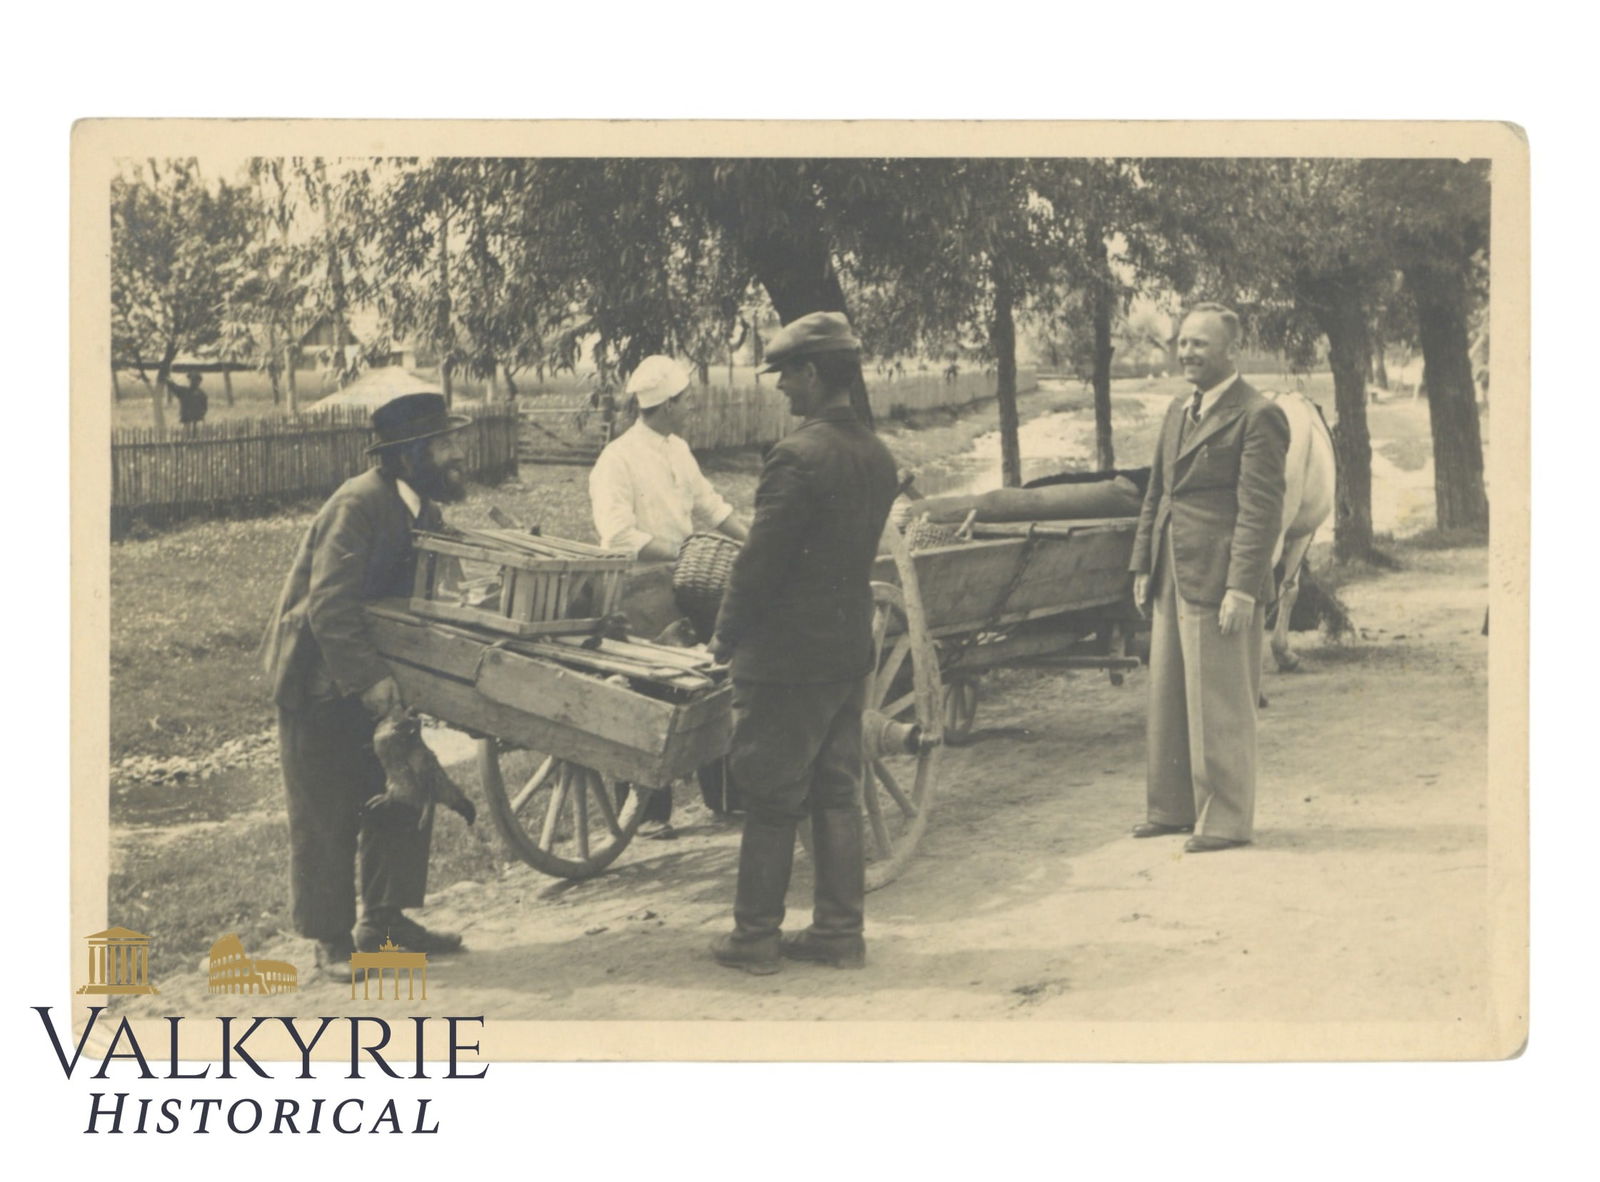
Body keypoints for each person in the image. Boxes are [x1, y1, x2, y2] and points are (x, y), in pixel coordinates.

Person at [707, 312, 898, 974]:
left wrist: (725, 635)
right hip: (846, 653)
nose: (781, 386)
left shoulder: (795, 457)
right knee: (837, 792)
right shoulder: (877, 454)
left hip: (786, 660)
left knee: (770, 797)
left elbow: (759, 562)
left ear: (813, 374)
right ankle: (840, 934)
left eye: (787, 374)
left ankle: (755, 938)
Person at [261, 392, 471, 970]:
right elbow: (328, 608)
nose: (459, 453)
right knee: (327, 809)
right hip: (318, 679)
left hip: (376, 673)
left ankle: (384, 922)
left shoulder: (422, 509)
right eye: (445, 444)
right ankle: (331, 941)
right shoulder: (358, 505)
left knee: (404, 786)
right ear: (408, 456)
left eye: (456, 440)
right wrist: (371, 681)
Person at [1129, 304, 1289, 853]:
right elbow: (1157, 492)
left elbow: (1260, 511)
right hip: (1172, 568)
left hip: (1222, 577)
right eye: (1183, 343)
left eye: (1200, 344)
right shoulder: (1178, 409)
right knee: (1169, 694)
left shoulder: (1258, 414)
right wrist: (1142, 564)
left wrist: (1242, 587)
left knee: (1219, 701)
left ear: (1231, 351)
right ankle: (1171, 809)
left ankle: (1225, 820)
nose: (1187, 353)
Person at [588, 354, 749, 836]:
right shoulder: (616, 459)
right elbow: (618, 535)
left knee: (716, 669)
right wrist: (681, 552)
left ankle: (726, 794)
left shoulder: (678, 449)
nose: (692, 407)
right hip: (638, 590)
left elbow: (712, 507)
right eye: (686, 400)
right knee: (650, 690)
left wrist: (755, 543)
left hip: (685, 580)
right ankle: (648, 813)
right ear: (665, 405)